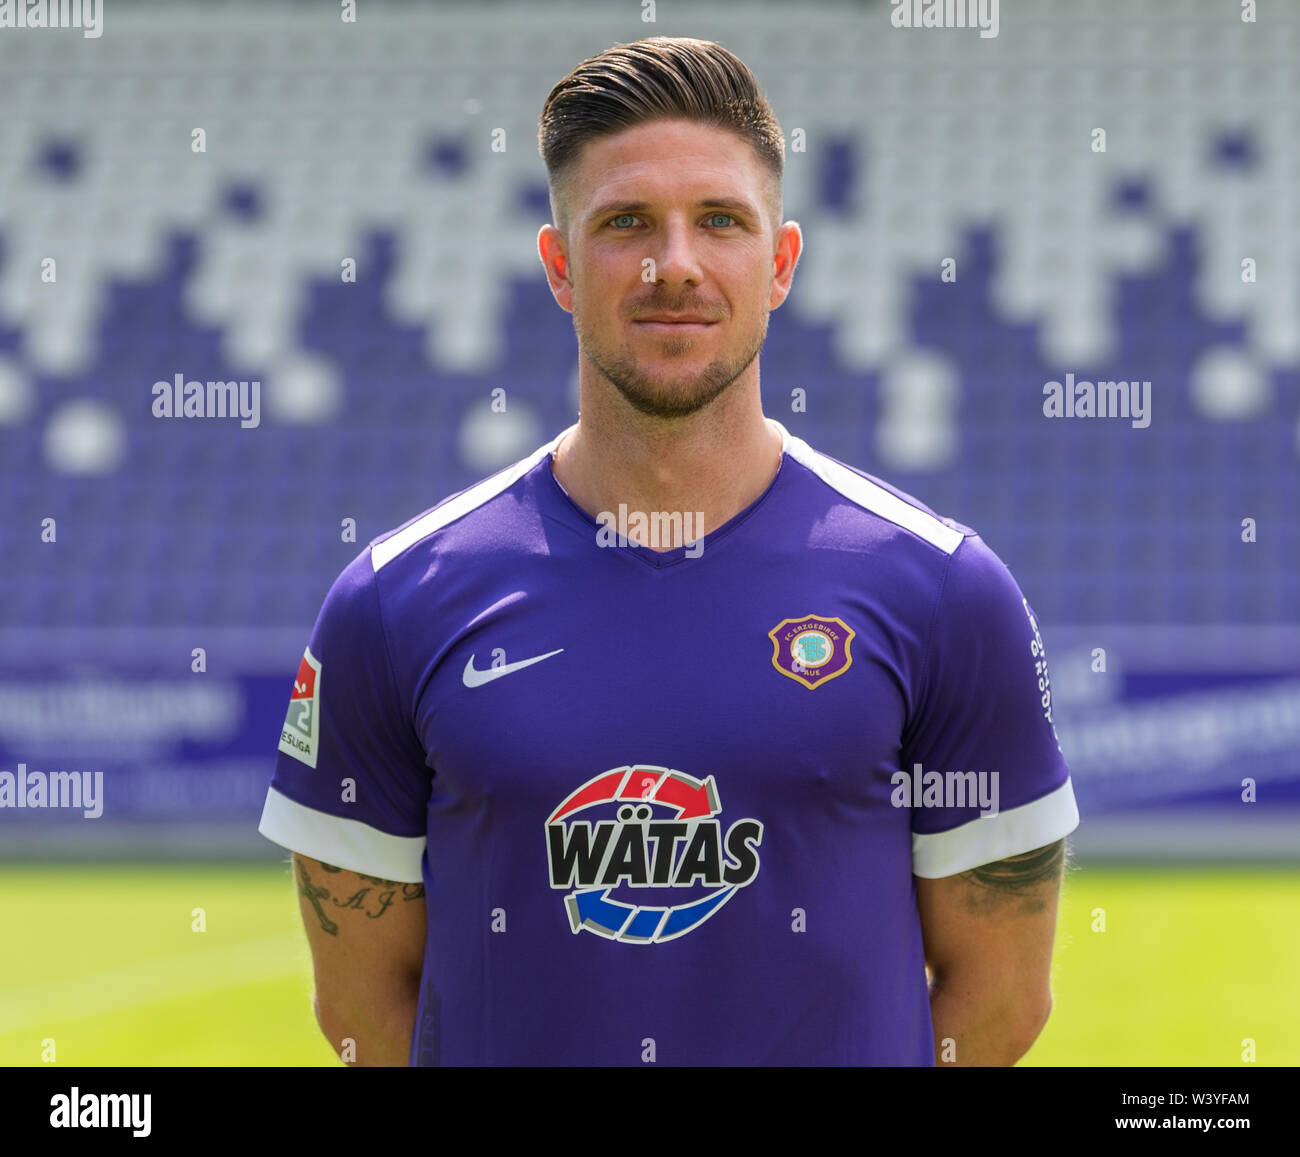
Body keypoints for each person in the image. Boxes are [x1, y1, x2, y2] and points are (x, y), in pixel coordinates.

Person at [258, 35, 1079, 1067]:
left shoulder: (945, 591)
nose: (674, 264)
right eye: (626, 222)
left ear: (779, 264)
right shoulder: (392, 602)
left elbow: (1001, 997)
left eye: (721, 221)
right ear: (559, 267)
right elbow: (363, 1005)